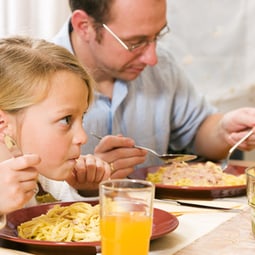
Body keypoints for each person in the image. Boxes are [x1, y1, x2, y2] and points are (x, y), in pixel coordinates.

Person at [52, 0, 255, 179]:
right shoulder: (34, 78)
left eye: (157, 36)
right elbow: (32, 187)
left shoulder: (162, 68)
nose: (152, 58)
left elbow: (197, 131)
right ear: (84, 26)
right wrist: (84, 178)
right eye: (135, 43)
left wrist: (224, 130)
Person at [0, 35, 111, 228]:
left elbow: (69, 225)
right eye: (66, 120)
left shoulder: (43, 177)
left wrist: (85, 191)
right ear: (3, 124)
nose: (82, 137)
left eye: (82, 117)